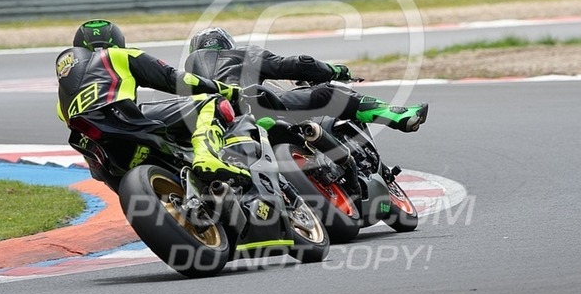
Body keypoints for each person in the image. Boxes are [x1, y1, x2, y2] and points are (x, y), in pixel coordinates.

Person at [56, 19, 250, 184]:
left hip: (104, 163)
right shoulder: (121, 55)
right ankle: (207, 156)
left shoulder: (62, 100)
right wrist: (228, 90)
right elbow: (176, 79)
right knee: (211, 102)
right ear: (117, 42)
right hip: (126, 121)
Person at [184, 27, 428, 133]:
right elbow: (297, 64)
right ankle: (397, 115)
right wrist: (333, 71)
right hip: (254, 106)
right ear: (226, 44)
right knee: (329, 94)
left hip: (213, 126)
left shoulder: (187, 75)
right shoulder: (239, 53)